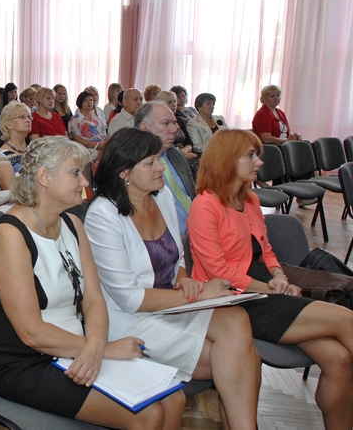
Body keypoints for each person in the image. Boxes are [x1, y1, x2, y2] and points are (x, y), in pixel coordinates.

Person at [0, 136, 183, 428]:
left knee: (174, 399)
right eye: (75, 173)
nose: (85, 181)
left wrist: (95, 345)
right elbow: (31, 332)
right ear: (44, 177)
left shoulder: (73, 224)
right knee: (148, 415)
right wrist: (103, 349)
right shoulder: (9, 235)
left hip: (79, 346)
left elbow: (93, 299)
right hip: (26, 362)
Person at [84, 128, 260, 430]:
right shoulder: (103, 216)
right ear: (125, 172)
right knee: (244, 360)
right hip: (130, 321)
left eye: (159, 160)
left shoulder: (161, 194)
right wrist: (200, 294)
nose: (161, 167)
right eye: (151, 162)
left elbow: (176, 255)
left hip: (171, 304)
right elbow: (131, 298)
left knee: (237, 319)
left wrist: (183, 278)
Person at [188, 129, 353, 430]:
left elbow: (265, 251)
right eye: (250, 156)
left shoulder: (248, 199)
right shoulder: (205, 204)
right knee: (347, 320)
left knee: (339, 359)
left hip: (263, 288)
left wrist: (279, 276)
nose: (260, 163)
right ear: (227, 160)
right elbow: (219, 272)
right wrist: (272, 289)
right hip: (234, 299)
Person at [135, 102, 196, 236]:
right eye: (166, 123)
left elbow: (192, 195)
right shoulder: (134, 166)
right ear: (144, 128)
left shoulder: (176, 155)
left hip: (197, 232)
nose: (174, 129)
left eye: (174, 123)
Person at [156, 92, 199, 179]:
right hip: (170, 155)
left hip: (185, 153)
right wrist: (182, 154)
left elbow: (189, 142)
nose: (173, 105)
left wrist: (185, 151)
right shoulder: (158, 123)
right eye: (169, 102)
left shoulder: (180, 120)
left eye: (174, 101)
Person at [0, 102, 32, 191]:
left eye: (29, 117)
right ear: (8, 124)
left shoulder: (34, 150)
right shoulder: (1, 156)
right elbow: (11, 192)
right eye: (22, 117)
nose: (28, 120)